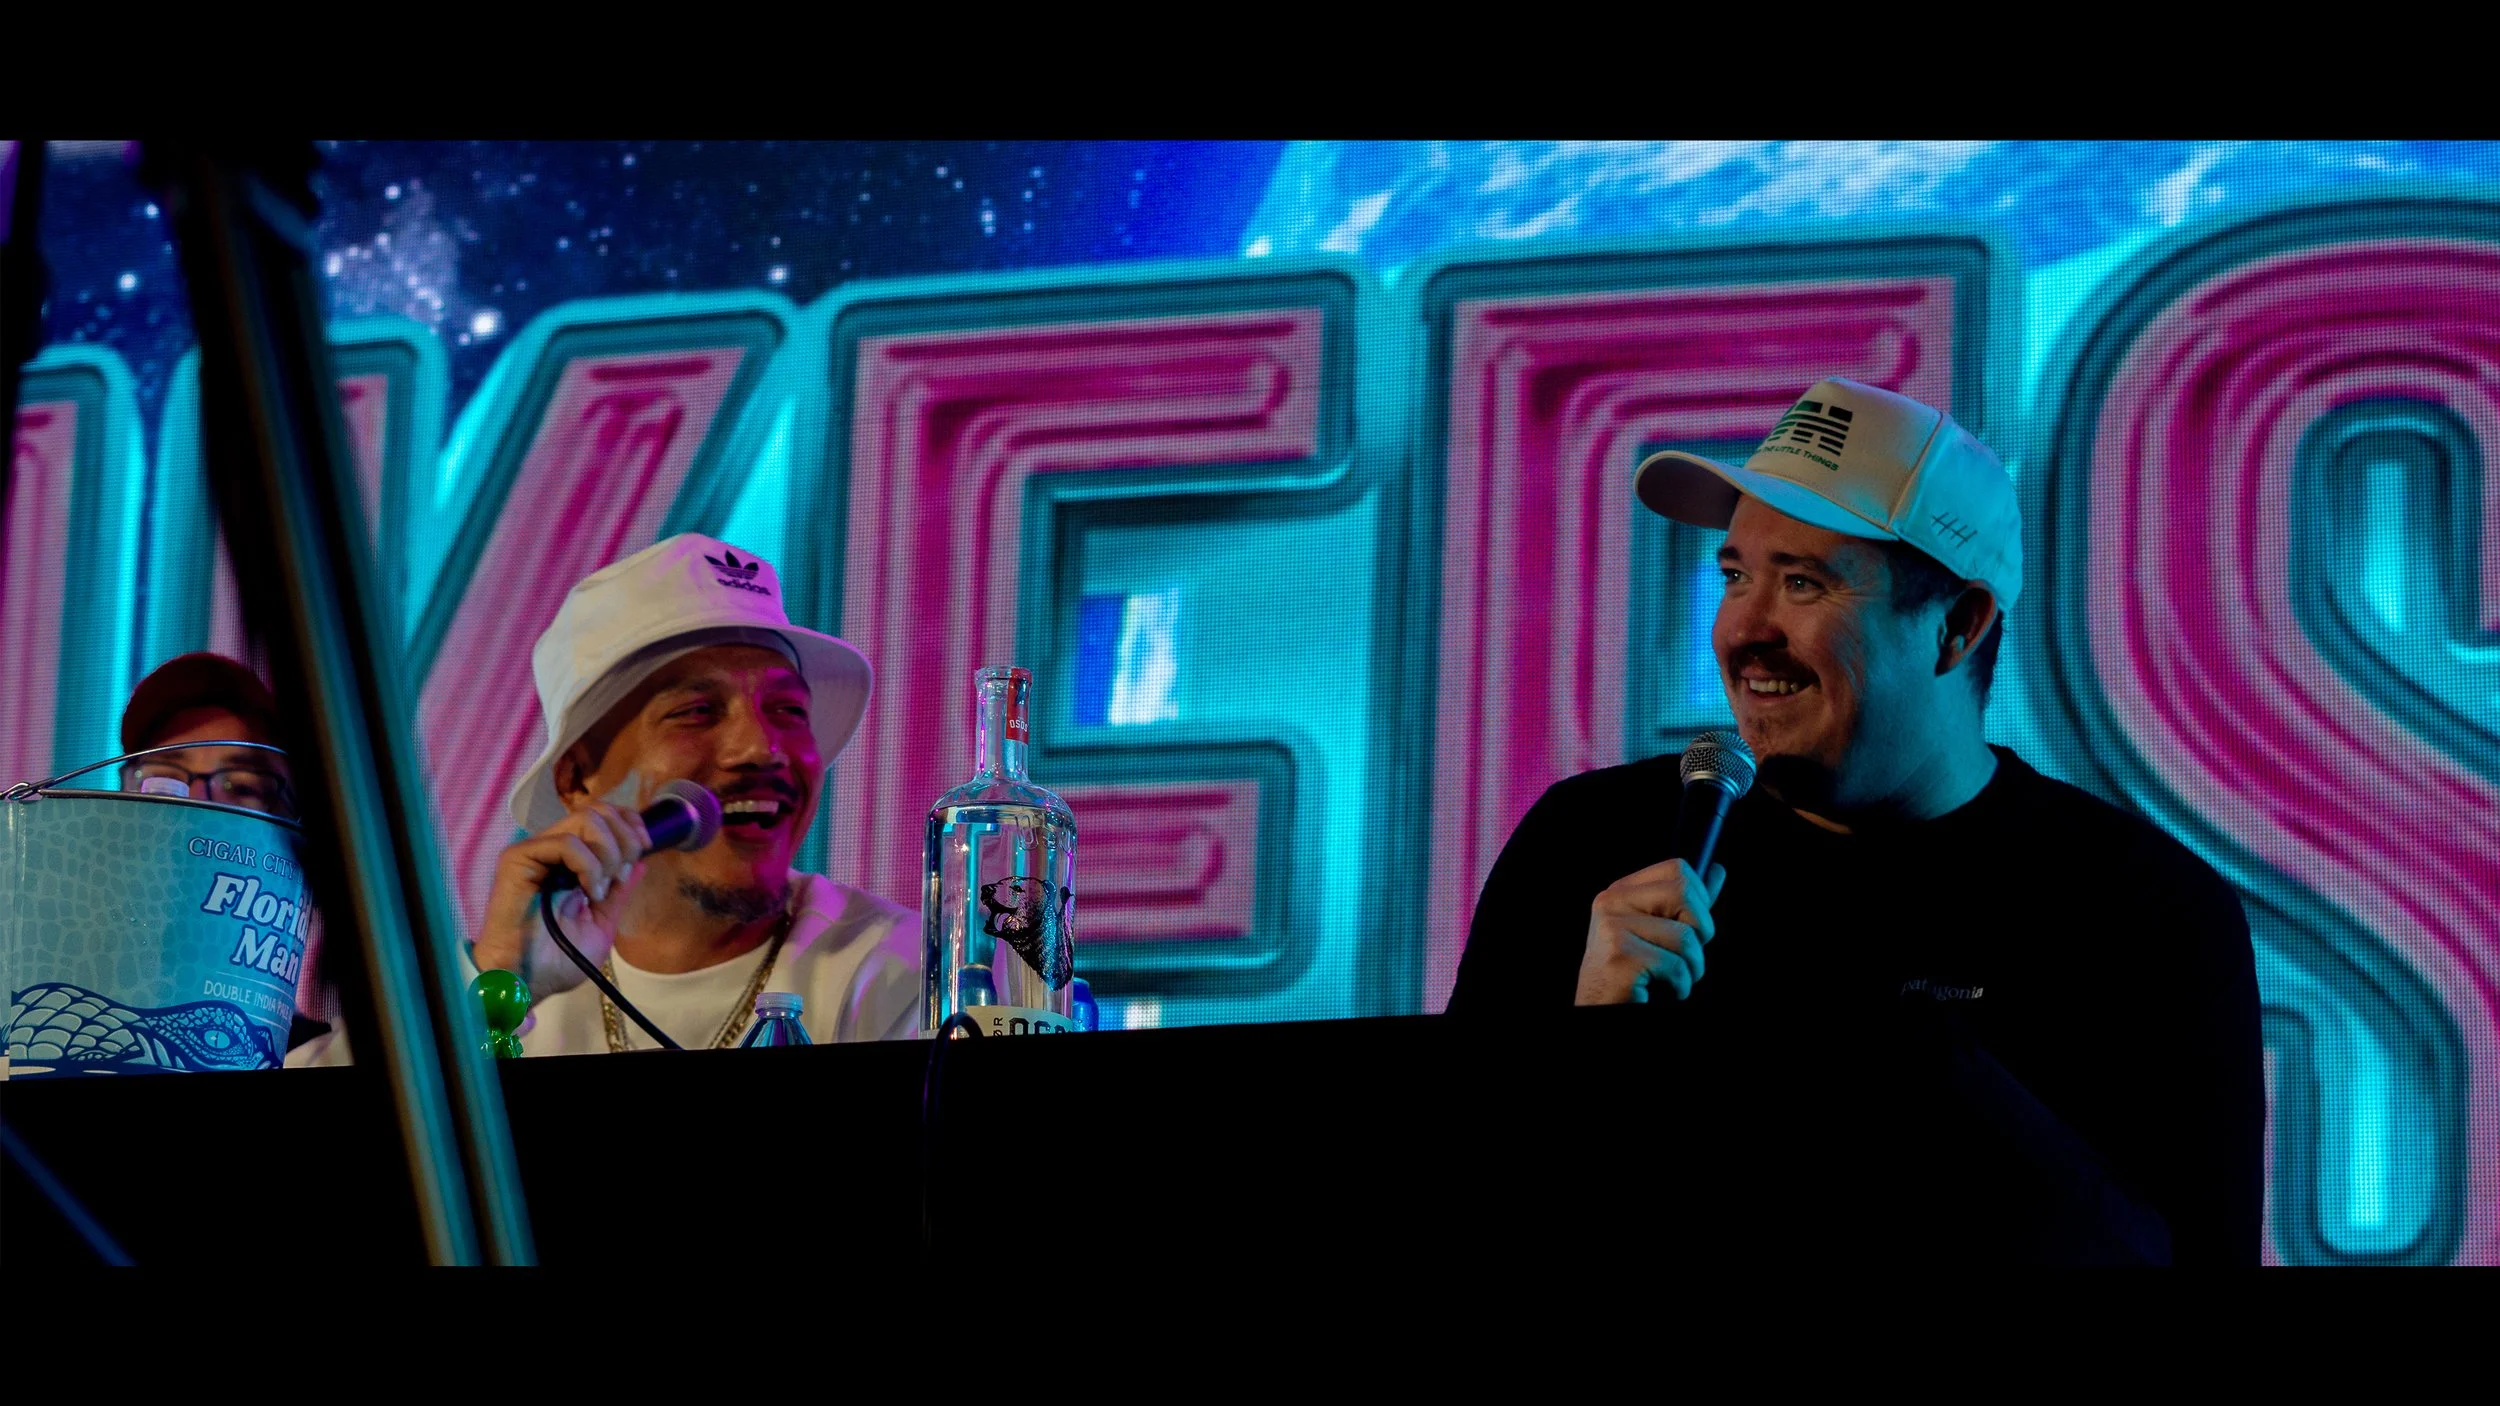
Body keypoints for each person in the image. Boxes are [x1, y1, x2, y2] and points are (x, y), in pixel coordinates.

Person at [1448, 377, 2264, 1265]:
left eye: (1804, 583)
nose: (1742, 630)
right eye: (1735, 576)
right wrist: (1586, 1047)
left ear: (1958, 626)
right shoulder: (1592, 842)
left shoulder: (2141, 911)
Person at [420, 532, 916, 1059]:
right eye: (696, 712)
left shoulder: (908, 976)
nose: (761, 748)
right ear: (578, 779)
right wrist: (501, 978)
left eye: (788, 711)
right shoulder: (514, 983)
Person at [119, 652, 342, 1059]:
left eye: (241, 786)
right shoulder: (32, 1034)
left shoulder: (333, 1060)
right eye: (164, 783)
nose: (198, 806)